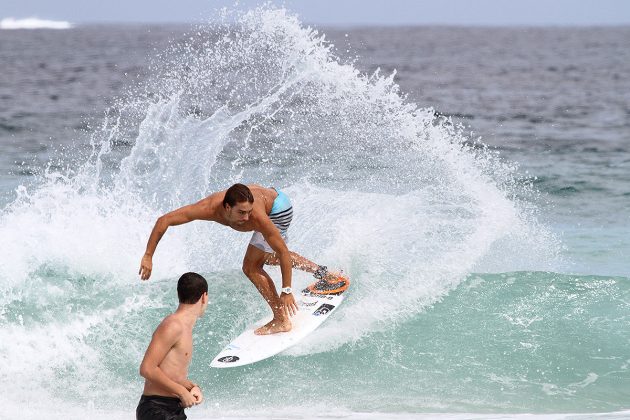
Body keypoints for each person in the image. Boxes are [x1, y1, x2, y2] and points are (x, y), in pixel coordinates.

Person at [139, 183, 347, 335]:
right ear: (227, 207)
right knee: (270, 257)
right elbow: (164, 220)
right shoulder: (208, 208)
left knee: (251, 267)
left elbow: (283, 251)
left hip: (278, 210)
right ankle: (324, 274)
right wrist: (148, 255)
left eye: (248, 212)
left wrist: (286, 290)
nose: (246, 218)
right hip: (273, 200)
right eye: (241, 212)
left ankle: (281, 319)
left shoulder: (257, 216)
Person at [137, 272, 208, 420]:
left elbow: (170, 373)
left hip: (172, 407)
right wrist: (181, 392)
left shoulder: (184, 328)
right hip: (156, 409)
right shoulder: (173, 325)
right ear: (204, 297)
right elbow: (147, 368)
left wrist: (191, 387)